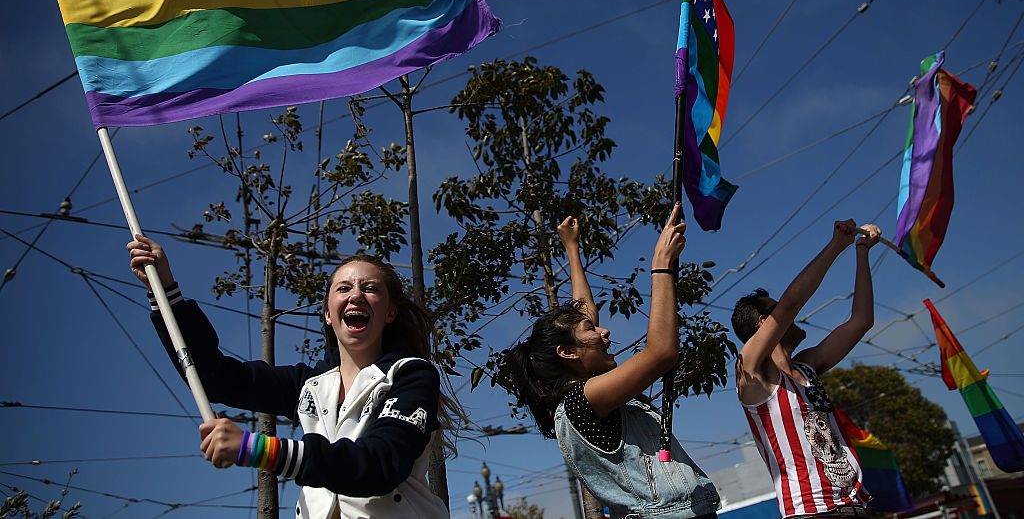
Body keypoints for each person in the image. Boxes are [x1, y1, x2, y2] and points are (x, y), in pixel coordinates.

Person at [127, 235, 450, 519]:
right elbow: (213, 376)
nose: (355, 295)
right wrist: (164, 289)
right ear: (327, 313)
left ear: (390, 313)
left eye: (370, 288)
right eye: (343, 288)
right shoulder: (308, 385)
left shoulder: (410, 375)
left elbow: (380, 465)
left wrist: (254, 449)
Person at [504, 204, 721, 519]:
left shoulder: (584, 393)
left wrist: (572, 248)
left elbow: (584, 313)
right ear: (567, 352)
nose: (605, 332)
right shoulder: (580, 402)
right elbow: (661, 353)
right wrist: (661, 265)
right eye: (592, 330)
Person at [731, 219, 881, 519]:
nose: (791, 316)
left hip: (854, 505)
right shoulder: (751, 372)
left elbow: (861, 321)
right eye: (774, 309)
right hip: (810, 511)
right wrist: (837, 245)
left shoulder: (807, 366)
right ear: (764, 322)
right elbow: (791, 303)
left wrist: (861, 251)